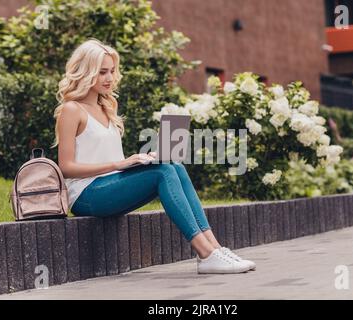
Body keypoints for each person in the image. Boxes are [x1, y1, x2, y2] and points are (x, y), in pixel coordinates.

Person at [52, 38, 256, 274]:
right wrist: (120, 163)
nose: (109, 78)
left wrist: (139, 161)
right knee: (164, 172)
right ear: (86, 72)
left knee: (173, 165)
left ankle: (215, 249)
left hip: (110, 184)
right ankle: (205, 253)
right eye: (102, 72)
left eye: (112, 71)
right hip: (86, 195)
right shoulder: (71, 110)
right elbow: (66, 167)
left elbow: (108, 158)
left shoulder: (108, 106)